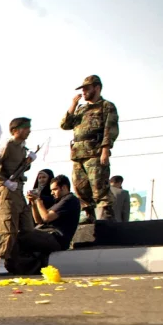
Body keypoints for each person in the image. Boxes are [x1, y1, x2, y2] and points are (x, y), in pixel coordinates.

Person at [60, 75, 119, 223]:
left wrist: (105, 149)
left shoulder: (106, 106)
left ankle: (106, 214)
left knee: (99, 185)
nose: (84, 92)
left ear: (97, 88)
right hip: (78, 153)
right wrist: (73, 105)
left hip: (95, 152)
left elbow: (110, 128)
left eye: (87, 88)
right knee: (80, 187)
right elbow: (65, 125)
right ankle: (88, 214)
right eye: (83, 89)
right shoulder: (81, 108)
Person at [0, 118, 35, 276]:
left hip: (18, 192)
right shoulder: (7, 145)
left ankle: (10, 258)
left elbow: (19, 168)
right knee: (7, 229)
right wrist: (5, 182)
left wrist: (28, 162)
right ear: (16, 130)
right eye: (26, 128)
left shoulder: (21, 148)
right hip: (7, 193)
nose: (29, 130)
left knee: (27, 227)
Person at [19, 175, 81, 267]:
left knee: (20, 237)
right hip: (48, 235)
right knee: (16, 236)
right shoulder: (59, 201)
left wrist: (38, 200)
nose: (52, 193)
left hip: (57, 238)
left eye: (54, 189)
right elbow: (39, 220)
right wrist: (33, 203)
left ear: (63, 187)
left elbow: (46, 217)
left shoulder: (70, 200)